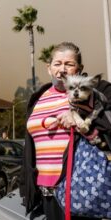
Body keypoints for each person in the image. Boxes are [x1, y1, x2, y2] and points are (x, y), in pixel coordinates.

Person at [21, 42, 111, 220]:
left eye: (69, 64)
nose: (62, 69)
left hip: (83, 189)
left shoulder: (97, 89)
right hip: (45, 193)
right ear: (49, 68)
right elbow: (29, 147)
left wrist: (81, 117)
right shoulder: (38, 98)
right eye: (57, 63)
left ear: (79, 68)